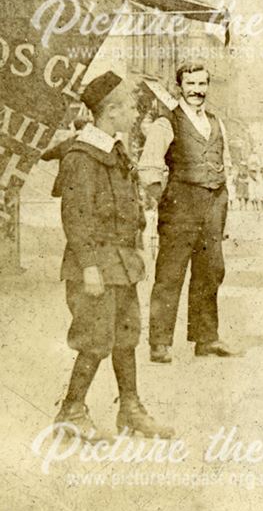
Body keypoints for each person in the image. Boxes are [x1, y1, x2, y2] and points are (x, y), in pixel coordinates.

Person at [53, 71, 173, 440]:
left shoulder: (113, 149)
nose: (137, 114)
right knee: (93, 339)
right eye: (132, 108)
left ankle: (131, 409)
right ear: (112, 112)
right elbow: (75, 216)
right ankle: (71, 412)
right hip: (96, 267)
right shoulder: (81, 157)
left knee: (125, 337)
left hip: (121, 266)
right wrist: (89, 266)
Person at [139, 62, 239, 363]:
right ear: (179, 86)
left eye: (202, 84)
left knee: (211, 271)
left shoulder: (216, 122)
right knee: (170, 274)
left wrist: (223, 201)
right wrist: (165, 201)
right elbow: (148, 167)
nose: (197, 90)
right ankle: (160, 343)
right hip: (180, 208)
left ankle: (206, 339)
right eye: (191, 84)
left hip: (213, 207)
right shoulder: (166, 122)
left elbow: (227, 163)